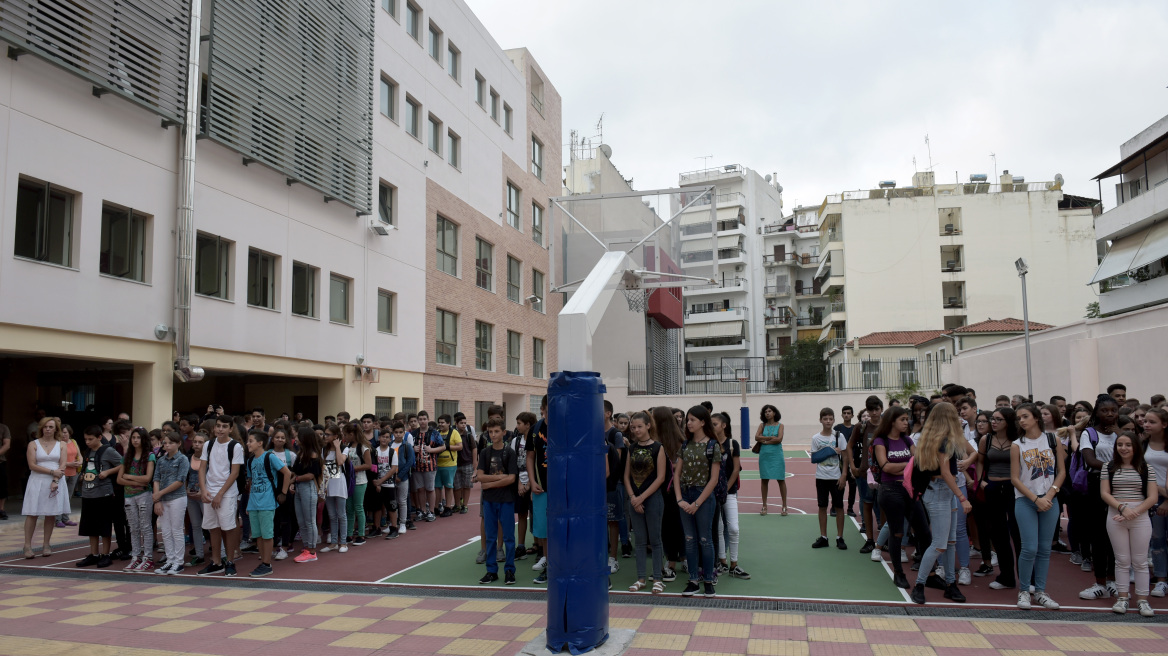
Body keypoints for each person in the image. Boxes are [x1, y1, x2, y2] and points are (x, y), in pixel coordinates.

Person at [910, 403, 970, 605]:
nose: (959, 416)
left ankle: (950, 584)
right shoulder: (944, 440)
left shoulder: (932, 438)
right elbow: (945, 472)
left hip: (939, 491)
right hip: (940, 492)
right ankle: (920, 584)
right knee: (940, 544)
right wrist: (962, 497)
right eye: (955, 414)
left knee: (949, 542)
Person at [1010, 403, 1064, 610]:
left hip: (1050, 499)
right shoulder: (1017, 445)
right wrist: (1036, 499)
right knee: (1029, 548)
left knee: (1044, 549)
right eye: (1019, 418)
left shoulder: (1053, 440)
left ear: (1036, 418)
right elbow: (1015, 478)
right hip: (1025, 500)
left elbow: (1061, 472)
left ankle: (1040, 591)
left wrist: (1049, 495)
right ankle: (1024, 590)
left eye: (1025, 416)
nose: (1022, 421)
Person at [873, 406, 930, 589]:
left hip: (909, 490)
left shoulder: (907, 440)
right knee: (897, 533)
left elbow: (919, 461)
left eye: (907, 419)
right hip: (890, 491)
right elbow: (886, 467)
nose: (907, 422)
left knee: (924, 532)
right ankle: (898, 573)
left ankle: (931, 572)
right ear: (892, 422)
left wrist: (904, 465)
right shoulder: (880, 441)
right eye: (903, 419)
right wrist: (909, 464)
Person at [1101, 432, 1157, 616]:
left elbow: (1152, 497)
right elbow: (1105, 493)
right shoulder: (1108, 467)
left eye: (1128, 445)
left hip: (1140, 517)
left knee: (1140, 561)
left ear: (1135, 447)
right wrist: (1122, 508)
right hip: (1116, 516)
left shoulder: (1146, 468)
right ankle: (1123, 598)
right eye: (1120, 445)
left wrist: (1134, 512)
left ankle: (1142, 600)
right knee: (1122, 560)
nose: (1123, 448)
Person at [674, 405, 722, 598]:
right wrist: (679, 500)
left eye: (692, 419)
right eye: (688, 420)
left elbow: (714, 479)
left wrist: (697, 503)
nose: (688, 423)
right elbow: (676, 475)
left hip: (703, 497)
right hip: (685, 496)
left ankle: (708, 580)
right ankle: (693, 580)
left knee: (705, 540)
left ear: (703, 422)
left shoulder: (712, 445)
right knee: (690, 540)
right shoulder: (685, 445)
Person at [1079, 395, 1120, 600]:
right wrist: (1116, 467)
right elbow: (1090, 460)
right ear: (1097, 413)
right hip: (1097, 484)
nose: (1110, 414)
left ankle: (1114, 581)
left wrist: (1120, 434)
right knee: (1099, 534)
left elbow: (1134, 454)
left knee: (1117, 533)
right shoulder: (1090, 433)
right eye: (1105, 410)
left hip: (1120, 485)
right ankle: (1100, 581)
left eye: (1114, 410)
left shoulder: (1121, 434)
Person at [625, 411, 667, 594]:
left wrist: (642, 497)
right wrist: (633, 498)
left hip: (653, 500)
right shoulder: (631, 448)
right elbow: (626, 476)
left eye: (639, 426)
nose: (636, 430)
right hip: (635, 501)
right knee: (640, 541)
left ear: (648, 426)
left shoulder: (658, 447)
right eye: (633, 427)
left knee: (656, 540)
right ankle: (641, 578)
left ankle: (657, 578)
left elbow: (661, 477)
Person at [197, 415, 244, 577]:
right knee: (213, 528)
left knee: (229, 527)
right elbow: (202, 468)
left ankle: (230, 561)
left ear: (231, 428)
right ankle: (216, 562)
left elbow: (235, 472)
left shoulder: (235, 446)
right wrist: (203, 490)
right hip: (210, 491)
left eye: (224, 426)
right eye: (218, 426)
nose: (220, 429)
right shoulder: (208, 445)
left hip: (227, 493)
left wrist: (220, 494)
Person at [244, 430, 292, 577]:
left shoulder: (269, 457)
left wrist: (283, 493)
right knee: (258, 535)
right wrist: (248, 504)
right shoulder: (250, 460)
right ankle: (263, 561)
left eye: (251, 441)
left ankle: (266, 564)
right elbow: (251, 483)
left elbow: (287, 473)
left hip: (267, 501)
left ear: (260, 443)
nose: (248, 443)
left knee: (267, 534)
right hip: (254, 503)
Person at [478, 418, 518, 585]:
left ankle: (509, 570)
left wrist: (490, 483)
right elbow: (480, 476)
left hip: (506, 500)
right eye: (490, 432)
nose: (493, 434)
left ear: (503, 432)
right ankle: (491, 570)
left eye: (496, 431)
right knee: (490, 537)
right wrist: (500, 477)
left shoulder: (509, 453)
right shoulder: (485, 453)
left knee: (508, 537)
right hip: (489, 501)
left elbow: (511, 479)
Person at [22, 416, 69, 558]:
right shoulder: (33, 444)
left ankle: (46, 544)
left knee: (50, 514)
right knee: (32, 513)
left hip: (56, 480)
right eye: (45, 427)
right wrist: (50, 472)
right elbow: (32, 465)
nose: (48, 429)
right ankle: (27, 545)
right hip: (37, 480)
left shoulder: (61, 444)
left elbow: (62, 464)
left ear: (56, 429)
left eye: (51, 427)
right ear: (41, 428)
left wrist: (55, 479)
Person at [75, 426, 122, 568]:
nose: (87, 442)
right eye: (85, 439)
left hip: (103, 494)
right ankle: (94, 554)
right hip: (88, 493)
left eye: (91, 439)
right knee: (90, 526)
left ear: (99, 437)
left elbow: (123, 463)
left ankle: (105, 554)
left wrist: (108, 472)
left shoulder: (108, 450)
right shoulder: (88, 451)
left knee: (104, 526)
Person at [711, 411, 748, 579]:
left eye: (715, 424)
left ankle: (734, 564)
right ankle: (722, 562)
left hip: (729, 492)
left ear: (723, 426)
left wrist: (725, 488)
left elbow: (735, 469)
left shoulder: (733, 444)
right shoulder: (709, 444)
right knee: (718, 528)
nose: (712, 427)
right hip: (712, 493)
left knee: (733, 528)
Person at [652, 406, 685, 582]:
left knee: (668, 527)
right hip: (674, 490)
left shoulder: (660, 442)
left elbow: (677, 466)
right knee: (677, 526)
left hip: (666, 490)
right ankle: (681, 559)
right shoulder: (680, 438)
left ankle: (671, 563)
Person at [117, 428, 157, 572]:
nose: (135, 440)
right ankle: (135, 557)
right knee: (133, 527)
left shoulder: (150, 456)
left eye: (138, 438)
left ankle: (148, 558)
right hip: (129, 496)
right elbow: (119, 479)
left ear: (143, 439)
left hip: (144, 495)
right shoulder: (127, 456)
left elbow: (147, 479)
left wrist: (129, 477)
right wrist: (136, 481)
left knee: (146, 526)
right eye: (133, 437)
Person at [152, 432, 190, 575]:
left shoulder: (182, 459)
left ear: (179, 444)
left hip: (177, 498)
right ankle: (170, 560)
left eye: (171, 443)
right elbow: (156, 478)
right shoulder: (161, 460)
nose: (167, 445)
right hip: (163, 500)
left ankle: (178, 562)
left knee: (177, 530)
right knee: (166, 532)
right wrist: (158, 499)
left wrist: (160, 494)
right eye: (165, 443)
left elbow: (180, 481)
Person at [810, 408, 848, 550]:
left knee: (839, 507)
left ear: (833, 420)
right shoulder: (816, 438)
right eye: (825, 419)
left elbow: (845, 457)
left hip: (836, 477)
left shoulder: (839, 436)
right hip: (821, 477)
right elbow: (814, 458)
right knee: (822, 506)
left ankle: (840, 537)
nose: (827, 421)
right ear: (820, 420)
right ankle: (824, 537)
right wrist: (831, 451)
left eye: (830, 419)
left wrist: (844, 475)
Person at [1143, 408, 1168, 598]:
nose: (1146, 425)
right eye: (1145, 421)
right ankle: (1160, 580)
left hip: (1165, 497)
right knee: (1157, 540)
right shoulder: (1143, 444)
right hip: (1153, 497)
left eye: (1152, 422)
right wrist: (1161, 494)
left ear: (1164, 424)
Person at [290, 427, 323, 562]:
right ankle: (306, 547)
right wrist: (293, 482)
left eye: (298, 437)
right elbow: (296, 472)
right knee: (301, 520)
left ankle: (312, 551)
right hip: (299, 488)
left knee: (310, 521)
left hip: (308, 488)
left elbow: (310, 475)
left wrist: (294, 480)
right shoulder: (301, 453)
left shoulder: (313, 454)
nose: (296, 439)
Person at [527, 396, 550, 583]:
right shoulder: (535, 430)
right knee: (543, 529)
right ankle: (549, 565)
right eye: (550, 408)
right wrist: (532, 481)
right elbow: (530, 457)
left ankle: (562, 564)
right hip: (542, 487)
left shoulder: (568, 427)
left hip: (564, 488)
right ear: (542, 409)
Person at [269, 427, 298, 559]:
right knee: (273, 519)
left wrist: (288, 487)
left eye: (282, 437)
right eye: (277, 437)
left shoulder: (291, 455)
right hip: (271, 491)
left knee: (286, 519)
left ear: (286, 440)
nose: (279, 440)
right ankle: (275, 547)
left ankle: (285, 547)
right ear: (272, 439)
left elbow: (295, 473)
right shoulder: (267, 454)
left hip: (285, 491)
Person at [320, 425, 350, 553]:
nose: (325, 436)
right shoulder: (323, 449)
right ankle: (333, 542)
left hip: (339, 482)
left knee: (341, 514)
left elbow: (340, 462)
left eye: (327, 434)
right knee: (332, 515)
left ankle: (343, 542)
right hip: (328, 483)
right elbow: (322, 468)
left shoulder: (344, 448)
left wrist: (337, 447)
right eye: (324, 434)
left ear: (335, 436)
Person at [342, 423, 372, 545]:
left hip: (360, 481)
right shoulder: (347, 446)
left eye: (345, 434)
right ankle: (349, 534)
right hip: (349, 481)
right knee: (349, 509)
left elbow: (368, 465)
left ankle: (361, 534)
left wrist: (353, 469)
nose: (344, 436)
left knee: (358, 507)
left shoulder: (363, 447)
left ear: (351, 434)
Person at [755, 404, 787, 516]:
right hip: (764, 455)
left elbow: (779, 439)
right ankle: (764, 505)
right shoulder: (762, 425)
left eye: (769, 411)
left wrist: (765, 441)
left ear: (774, 413)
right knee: (764, 479)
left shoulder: (780, 425)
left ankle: (784, 506)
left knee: (781, 479)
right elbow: (756, 437)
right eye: (765, 412)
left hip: (777, 455)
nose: (767, 413)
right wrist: (769, 438)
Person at [372, 426, 400, 539]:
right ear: (379, 438)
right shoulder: (374, 451)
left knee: (391, 507)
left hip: (389, 484)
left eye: (387, 437)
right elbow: (373, 467)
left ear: (390, 439)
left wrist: (381, 481)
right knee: (377, 507)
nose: (384, 439)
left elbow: (393, 469)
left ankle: (394, 528)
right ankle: (377, 528)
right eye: (383, 436)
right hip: (377, 484)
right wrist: (377, 483)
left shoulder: (392, 452)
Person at [56, 424, 82, 527]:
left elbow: (79, 454)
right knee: (59, 496)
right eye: (61, 432)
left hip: (73, 472)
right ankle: (58, 519)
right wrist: (68, 464)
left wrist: (80, 461)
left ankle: (65, 518)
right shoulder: (58, 444)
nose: (63, 434)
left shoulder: (73, 442)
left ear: (69, 433)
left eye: (65, 432)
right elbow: (56, 459)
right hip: (62, 473)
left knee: (68, 496)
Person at [434, 414, 460, 517]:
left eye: (442, 422)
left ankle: (448, 507)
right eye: (439, 422)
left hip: (450, 465)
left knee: (448, 487)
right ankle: (436, 507)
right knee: (437, 487)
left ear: (449, 423)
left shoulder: (454, 433)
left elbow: (460, 447)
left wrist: (447, 447)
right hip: (437, 464)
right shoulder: (436, 433)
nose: (440, 424)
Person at [835, 406, 857, 517]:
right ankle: (835, 507)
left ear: (852, 415)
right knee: (840, 486)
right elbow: (833, 442)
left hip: (853, 462)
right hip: (841, 462)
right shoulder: (837, 428)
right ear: (842, 415)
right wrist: (836, 449)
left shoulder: (856, 428)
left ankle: (850, 508)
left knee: (853, 487)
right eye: (844, 413)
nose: (846, 415)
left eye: (849, 413)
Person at [453, 412, 475, 514]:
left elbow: (474, 449)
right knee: (456, 486)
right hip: (455, 464)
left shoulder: (469, 435)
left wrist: (475, 464)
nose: (463, 425)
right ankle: (457, 505)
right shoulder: (453, 434)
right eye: (461, 423)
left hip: (467, 464)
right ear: (456, 424)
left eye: (465, 423)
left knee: (467, 486)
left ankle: (465, 505)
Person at [0, 421, 10, 520]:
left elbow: (6, 444)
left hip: (0, 461)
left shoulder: (3, 427)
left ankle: (1, 509)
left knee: (2, 487)